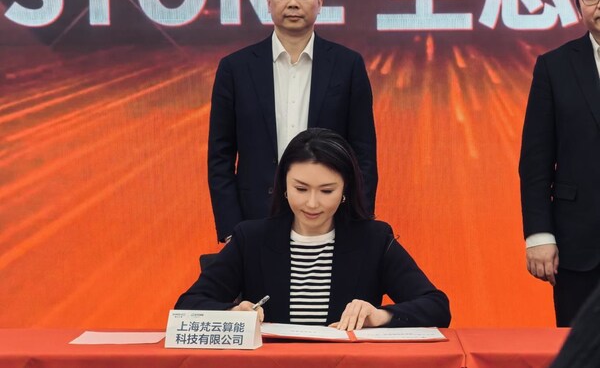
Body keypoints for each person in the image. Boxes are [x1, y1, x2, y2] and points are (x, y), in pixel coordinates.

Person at [177, 128, 450, 330]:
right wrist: (232, 313)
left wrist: (379, 316)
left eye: (327, 191)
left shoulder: (374, 240)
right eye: (301, 188)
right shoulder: (250, 238)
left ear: (345, 189)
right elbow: (188, 305)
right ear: (284, 185)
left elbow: (437, 307)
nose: (312, 203)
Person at [208, 0, 377, 243]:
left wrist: (357, 222)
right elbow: (220, 157)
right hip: (253, 219)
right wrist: (230, 230)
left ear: (320, 2)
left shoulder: (347, 65)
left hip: (329, 216)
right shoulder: (235, 68)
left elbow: (364, 153)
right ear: (268, 1)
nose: (293, 3)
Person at [519, 0, 600, 326]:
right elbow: (535, 162)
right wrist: (539, 235)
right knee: (579, 349)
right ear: (578, 4)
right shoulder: (555, 67)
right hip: (580, 247)